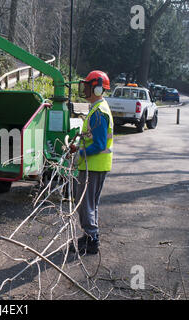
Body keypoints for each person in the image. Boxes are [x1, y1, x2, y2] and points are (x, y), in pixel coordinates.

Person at [69, 70, 114, 255]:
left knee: (85, 204)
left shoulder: (99, 112)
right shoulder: (97, 108)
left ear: (97, 89)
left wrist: (81, 152)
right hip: (95, 165)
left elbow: (100, 144)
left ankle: (91, 240)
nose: (84, 89)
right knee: (90, 204)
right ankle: (90, 236)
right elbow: (92, 138)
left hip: (93, 166)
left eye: (88, 86)